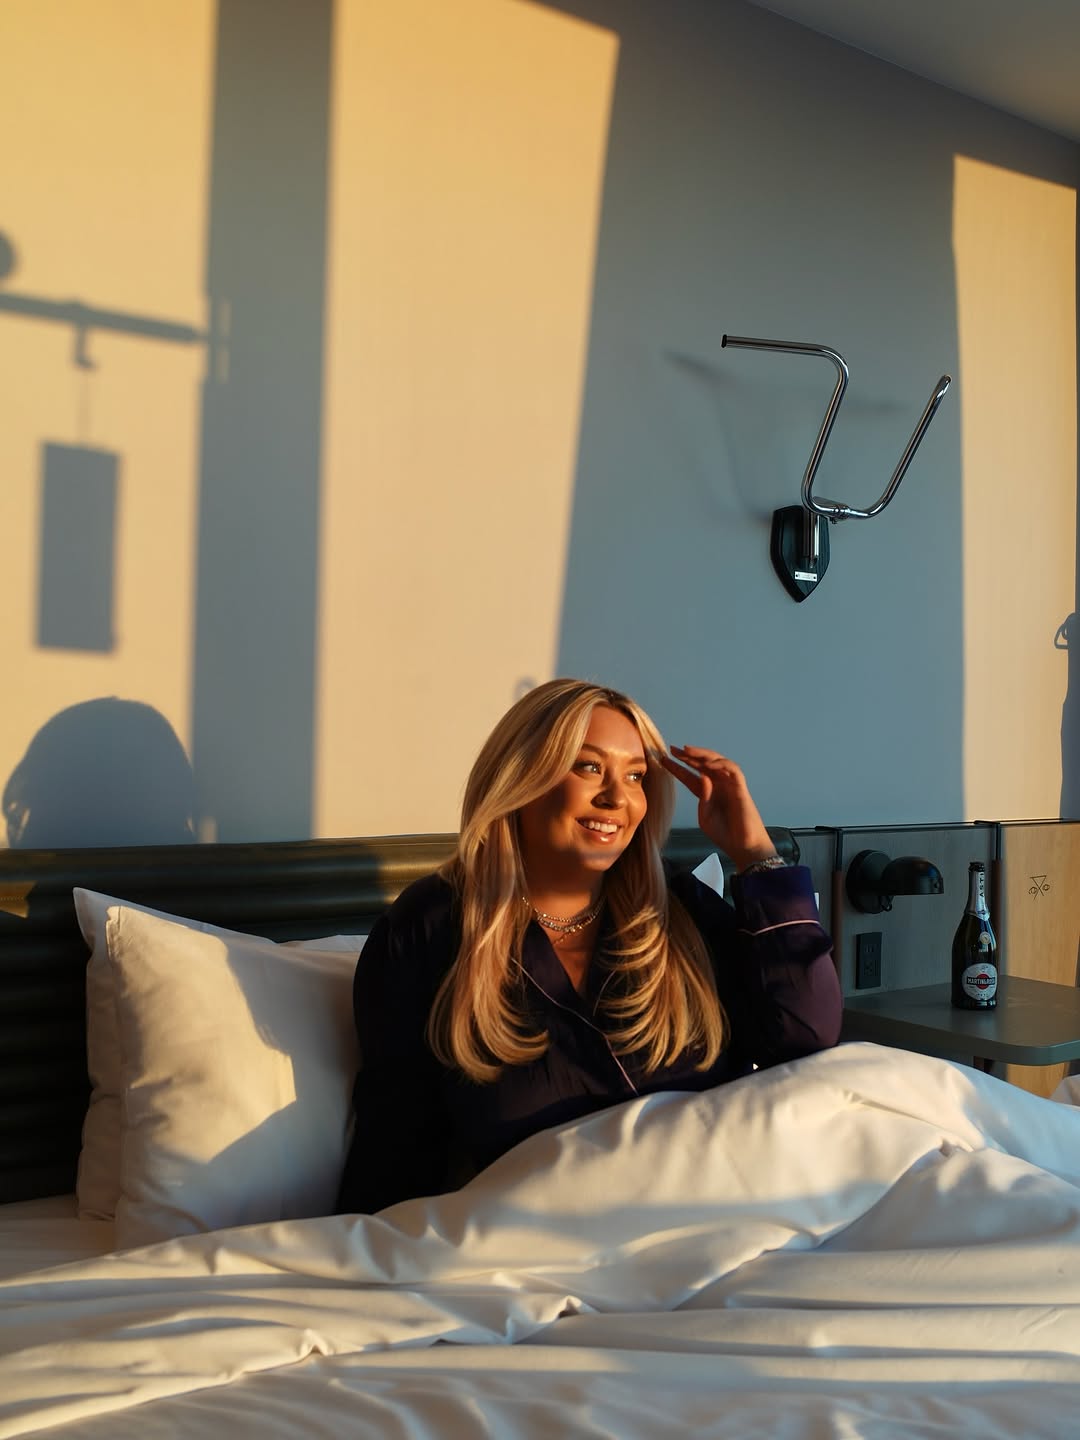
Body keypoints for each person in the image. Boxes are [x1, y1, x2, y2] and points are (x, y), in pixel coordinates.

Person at [337, 679, 841, 1215]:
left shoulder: (678, 910)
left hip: (722, 1218)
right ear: (521, 777)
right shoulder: (432, 928)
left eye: (636, 776)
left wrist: (756, 855)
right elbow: (397, 1139)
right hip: (542, 1240)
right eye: (589, 767)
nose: (617, 798)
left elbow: (805, 1037)